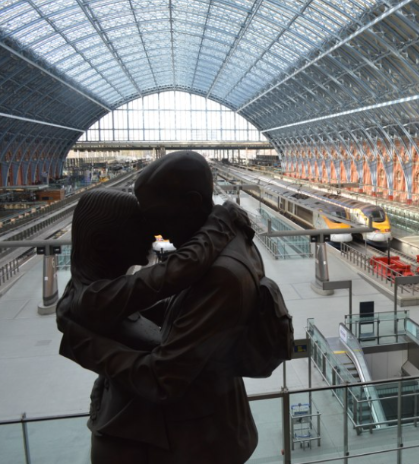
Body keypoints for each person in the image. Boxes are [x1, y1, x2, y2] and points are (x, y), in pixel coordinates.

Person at [58, 151, 264, 463]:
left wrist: (82, 344)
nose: (152, 232)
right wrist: (219, 221)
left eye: (155, 215)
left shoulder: (221, 273)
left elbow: (162, 378)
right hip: (179, 431)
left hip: (196, 440)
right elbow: (174, 288)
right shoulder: (224, 244)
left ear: (192, 203)